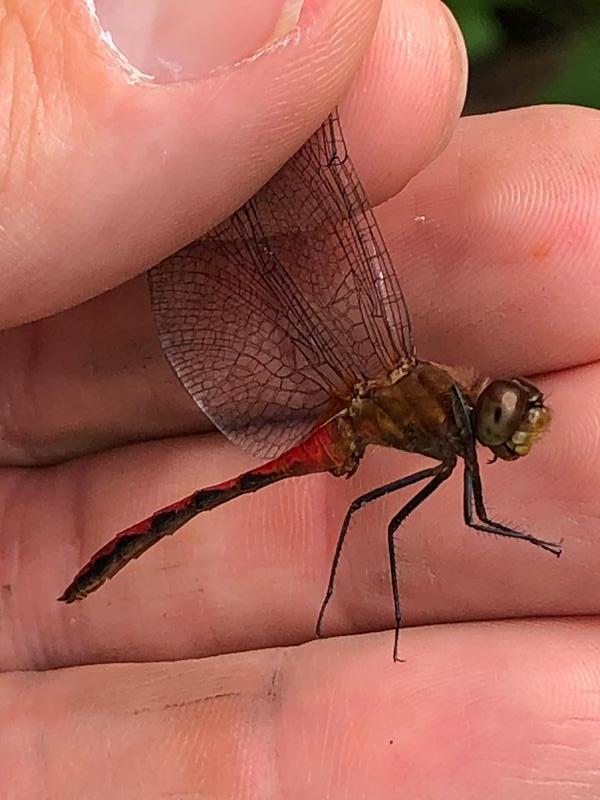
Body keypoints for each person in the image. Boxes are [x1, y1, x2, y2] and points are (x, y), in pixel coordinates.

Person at [2, 0, 599, 795]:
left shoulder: (437, 413)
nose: (507, 419)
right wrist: (544, 545)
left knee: (364, 514)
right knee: (366, 517)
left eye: (506, 412)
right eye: (504, 412)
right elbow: (472, 517)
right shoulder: (428, 410)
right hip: (335, 418)